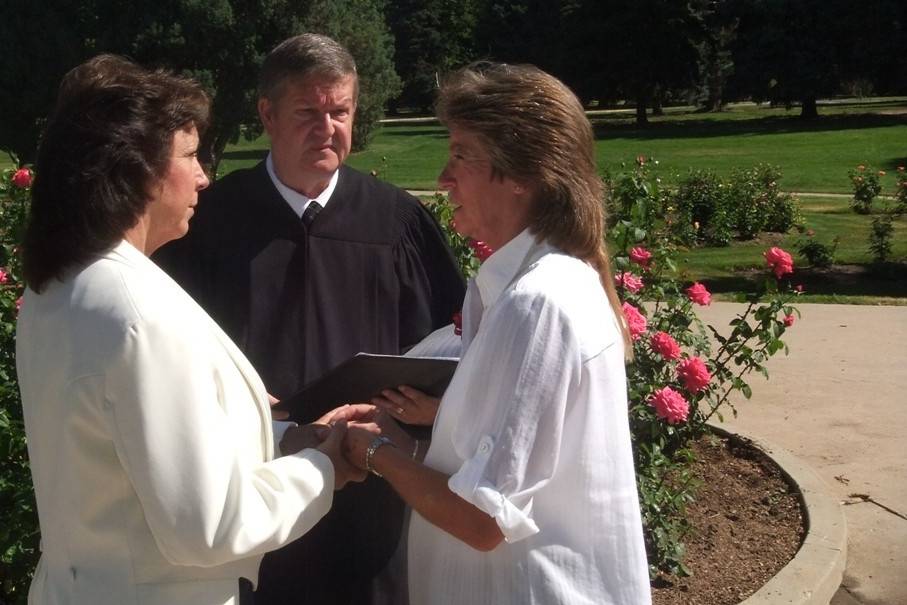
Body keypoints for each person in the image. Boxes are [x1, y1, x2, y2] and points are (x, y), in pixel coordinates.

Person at [16, 54, 364, 605]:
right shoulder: (136, 311)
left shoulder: (58, 288)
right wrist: (323, 467)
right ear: (139, 171)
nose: (204, 175)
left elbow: (128, 452)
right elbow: (208, 525)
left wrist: (284, 439)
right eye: (191, 155)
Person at [153, 34, 466, 604]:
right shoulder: (207, 225)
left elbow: (448, 346)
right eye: (308, 112)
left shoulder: (399, 223)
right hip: (256, 491)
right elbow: (166, 357)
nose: (327, 128)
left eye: (340, 111)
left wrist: (419, 411)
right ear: (267, 114)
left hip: (373, 491)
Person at [335, 63, 653, 604]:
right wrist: (421, 432)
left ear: (521, 175)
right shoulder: (541, 285)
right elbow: (514, 465)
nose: (443, 177)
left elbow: (482, 521)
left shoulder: (537, 303)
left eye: (461, 154)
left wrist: (373, 450)